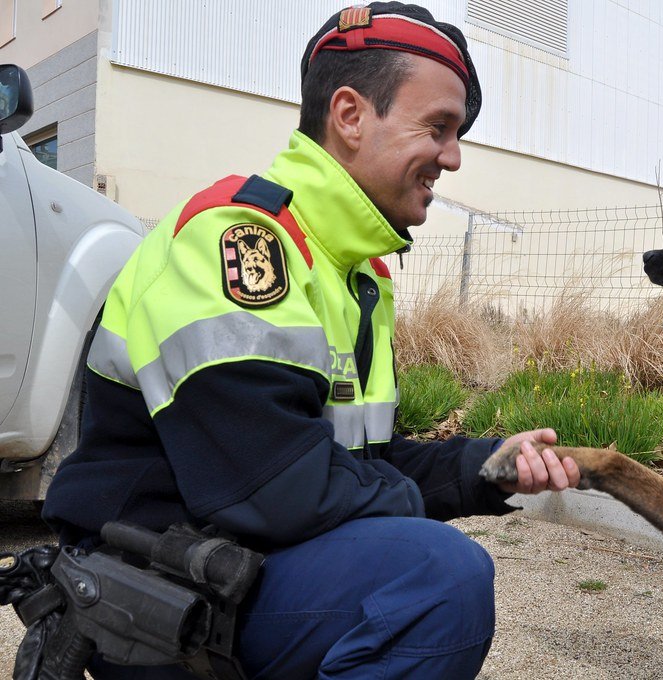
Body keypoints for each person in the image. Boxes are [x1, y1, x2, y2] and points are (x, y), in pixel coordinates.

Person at [41, 3, 580, 678]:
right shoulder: (242, 241)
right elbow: (274, 487)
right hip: (157, 594)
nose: (453, 157)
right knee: (435, 577)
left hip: (237, 568)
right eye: (438, 128)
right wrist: (409, 508)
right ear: (350, 116)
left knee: (417, 560)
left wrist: (484, 467)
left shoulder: (353, 273)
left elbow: (357, 461)